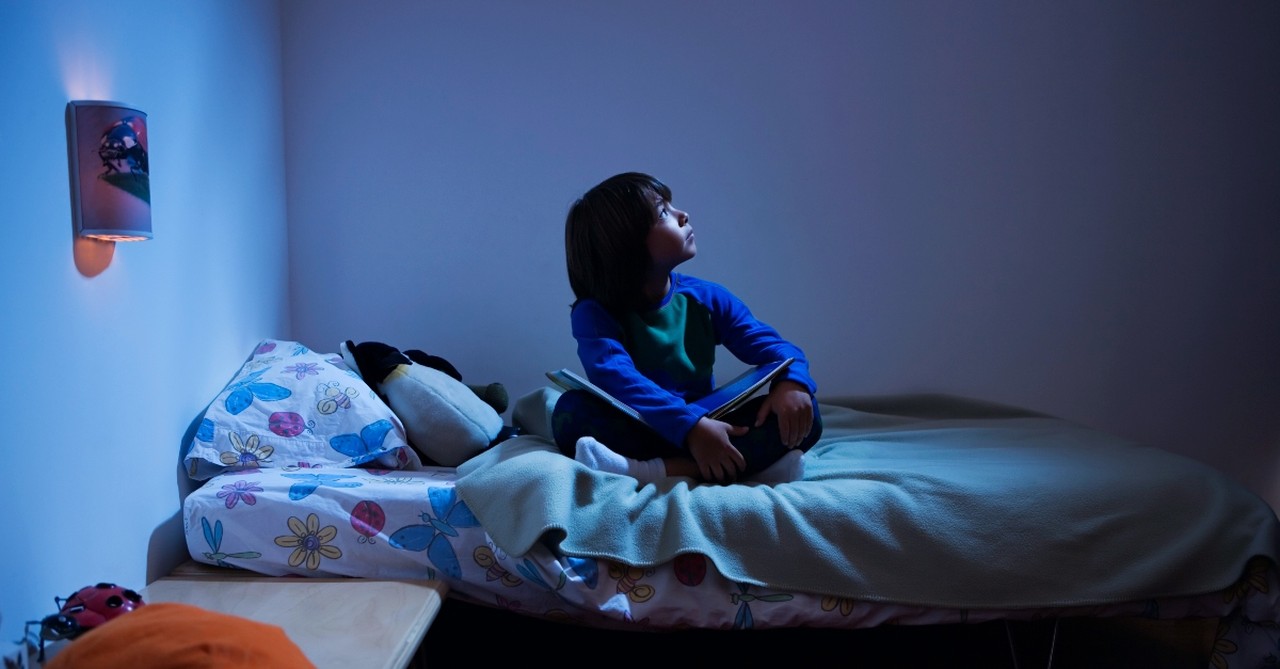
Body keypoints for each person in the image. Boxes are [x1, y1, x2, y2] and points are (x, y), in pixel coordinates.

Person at [552, 172, 823, 485]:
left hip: (710, 428)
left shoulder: (707, 298)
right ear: (626, 245)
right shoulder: (594, 314)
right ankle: (744, 469)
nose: (683, 215)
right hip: (645, 427)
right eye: (664, 213)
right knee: (569, 412)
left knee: (807, 412)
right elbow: (617, 379)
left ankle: (649, 470)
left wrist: (791, 382)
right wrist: (689, 427)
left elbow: (779, 350)